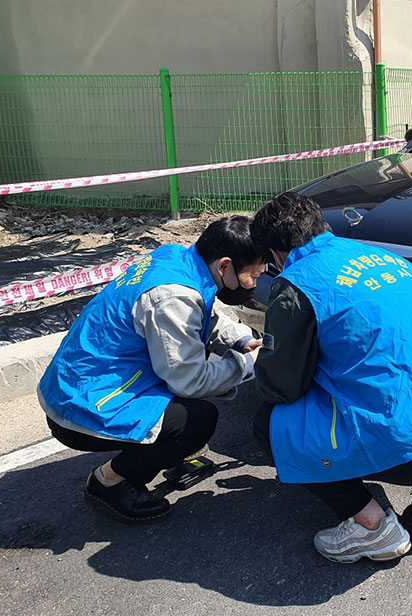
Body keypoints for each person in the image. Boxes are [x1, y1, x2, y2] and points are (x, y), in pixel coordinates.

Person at [250, 192, 412, 564]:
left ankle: (371, 526)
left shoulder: (296, 284)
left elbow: (281, 384)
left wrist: (258, 362)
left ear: (276, 254)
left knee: (271, 424)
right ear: (320, 224)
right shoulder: (385, 257)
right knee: (406, 376)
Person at [38, 216, 266, 524]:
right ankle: (109, 482)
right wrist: (246, 364)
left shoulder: (178, 258)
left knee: (189, 397)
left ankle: (164, 450)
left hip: (87, 380)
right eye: (254, 275)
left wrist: (241, 339)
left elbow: (204, 314)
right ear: (225, 266)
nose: (256, 282)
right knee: (196, 421)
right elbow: (191, 380)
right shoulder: (173, 297)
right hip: (85, 403)